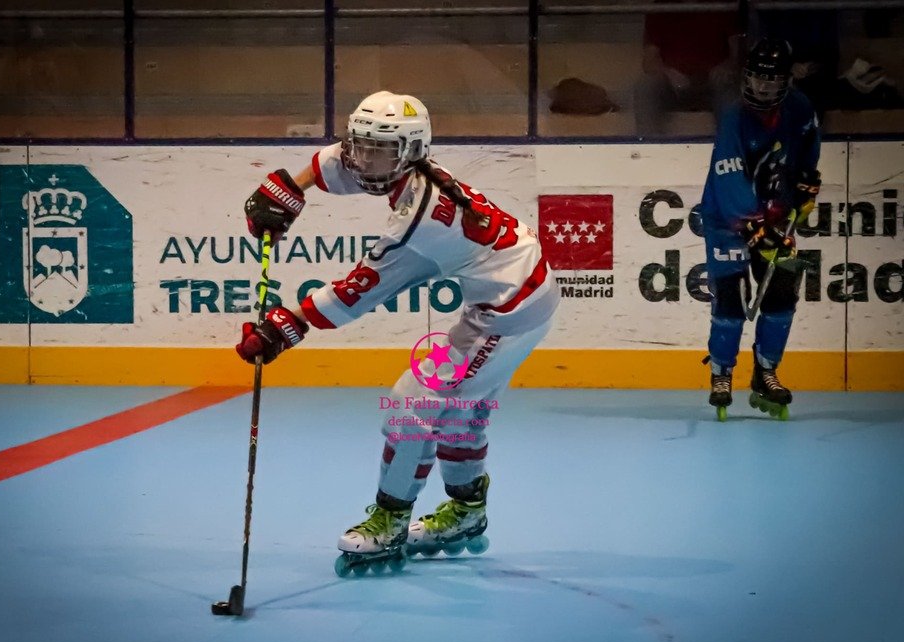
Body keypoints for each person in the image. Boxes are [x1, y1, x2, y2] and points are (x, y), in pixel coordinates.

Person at [235, 91, 559, 574]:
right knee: (458, 414)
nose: (365, 161)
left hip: (508, 313)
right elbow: (337, 163)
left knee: (412, 407)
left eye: (379, 150)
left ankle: (390, 519)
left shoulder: (419, 223)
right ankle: (467, 512)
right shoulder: (411, 169)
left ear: (410, 151)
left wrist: (289, 324)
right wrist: (291, 186)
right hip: (514, 297)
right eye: (360, 145)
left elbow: (358, 292)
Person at [700, 39, 821, 420]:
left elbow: (807, 149)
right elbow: (729, 175)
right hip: (727, 221)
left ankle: (766, 373)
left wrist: (805, 181)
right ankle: (721, 373)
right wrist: (752, 226)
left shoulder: (800, 108)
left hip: (776, 217)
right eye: (757, 78)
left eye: (772, 80)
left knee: (782, 295)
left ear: (787, 80)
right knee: (732, 304)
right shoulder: (735, 117)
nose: (763, 87)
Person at [634, 0, 742, 135]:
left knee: (730, 87)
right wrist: (669, 73)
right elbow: (649, 62)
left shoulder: (721, 6)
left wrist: (725, 67)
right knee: (646, 86)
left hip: (714, 83)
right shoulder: (660, 8)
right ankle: (649, 147)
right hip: (674, 86)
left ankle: (730, 148)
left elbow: (739, 54)